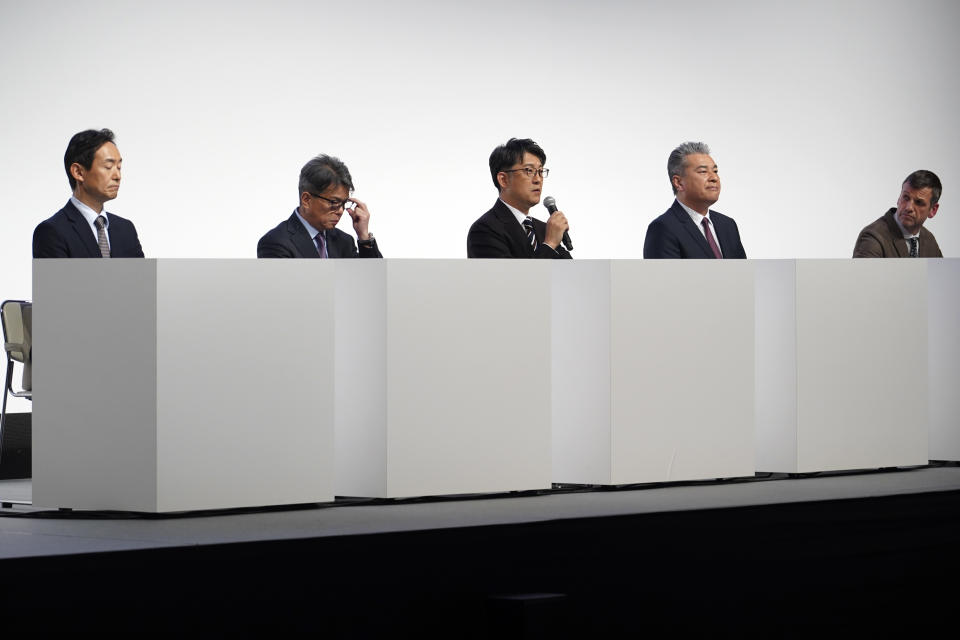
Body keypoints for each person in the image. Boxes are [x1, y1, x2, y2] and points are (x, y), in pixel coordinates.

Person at [33, 129, 144, 258]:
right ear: (78, 172)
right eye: (108, 167)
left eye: (119, 167)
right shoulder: (52, 232)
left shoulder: (126, 229)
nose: (117, 176)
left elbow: (141, 278)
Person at [257, 154, 382, 259]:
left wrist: (364, 237)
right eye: (334, 202)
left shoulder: (344, 242)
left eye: (344, 204)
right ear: (306, 200)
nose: (340, 211)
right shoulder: (276, 243)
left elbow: (372, 282)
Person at [467, 138, 571, 259]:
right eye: (529, 170)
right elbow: (511, 277)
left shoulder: (544, 229)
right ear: (503, 180)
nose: (538, 179)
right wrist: (549, 244)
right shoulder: (484, 230)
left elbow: (571, 274)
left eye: (541, 171)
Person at [643, 141, 746, 259]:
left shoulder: (728, 225)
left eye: (715, 171)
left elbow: (742, 276)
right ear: (678, 182)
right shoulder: (662, 229)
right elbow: (664, 277)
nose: (714, 178)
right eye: (703, 171)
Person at [853, 170, 943, 258]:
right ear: (899, 198)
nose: (909, 208)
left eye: (919, 202)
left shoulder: (930, 241)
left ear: (933, 210)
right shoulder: (873, 237)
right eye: (906, 197)